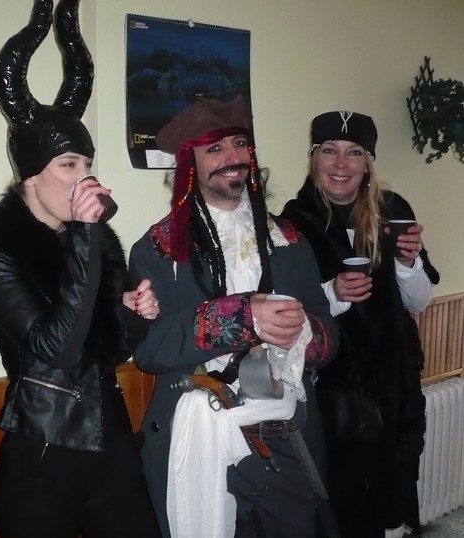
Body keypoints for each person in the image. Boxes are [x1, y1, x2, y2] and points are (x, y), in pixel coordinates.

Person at [0, 1, 161, 537]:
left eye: (87, 164)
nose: (84, 178)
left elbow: (108, 353)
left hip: (111, 444)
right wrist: (83, 237)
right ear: (30, 174)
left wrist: (133, 314)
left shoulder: (96, 242)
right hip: (43, 455)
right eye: (68, 165)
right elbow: (57, 352)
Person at [128, 96, 339, 538]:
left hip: (287, 435)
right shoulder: (156, 248)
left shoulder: (289, 239)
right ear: (188, 164)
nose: (233, 157)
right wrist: (243, 317)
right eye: (215, 148)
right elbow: (150, 350)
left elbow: (328, 332)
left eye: (240, 143)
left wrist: (303, 333)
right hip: (201, 437)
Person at [281, 110, 439, 538]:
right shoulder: (294, 221)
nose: (341, 164)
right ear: (314, 158)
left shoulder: (393, 210)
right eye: (329, 151)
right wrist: (333, 293)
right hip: (334, 385)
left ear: (368, 163)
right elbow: (289, 313)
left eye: (354, 153)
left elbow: (419, 301)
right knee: (343, 499)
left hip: (393, 378)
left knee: (389, 489)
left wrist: (407, 262)